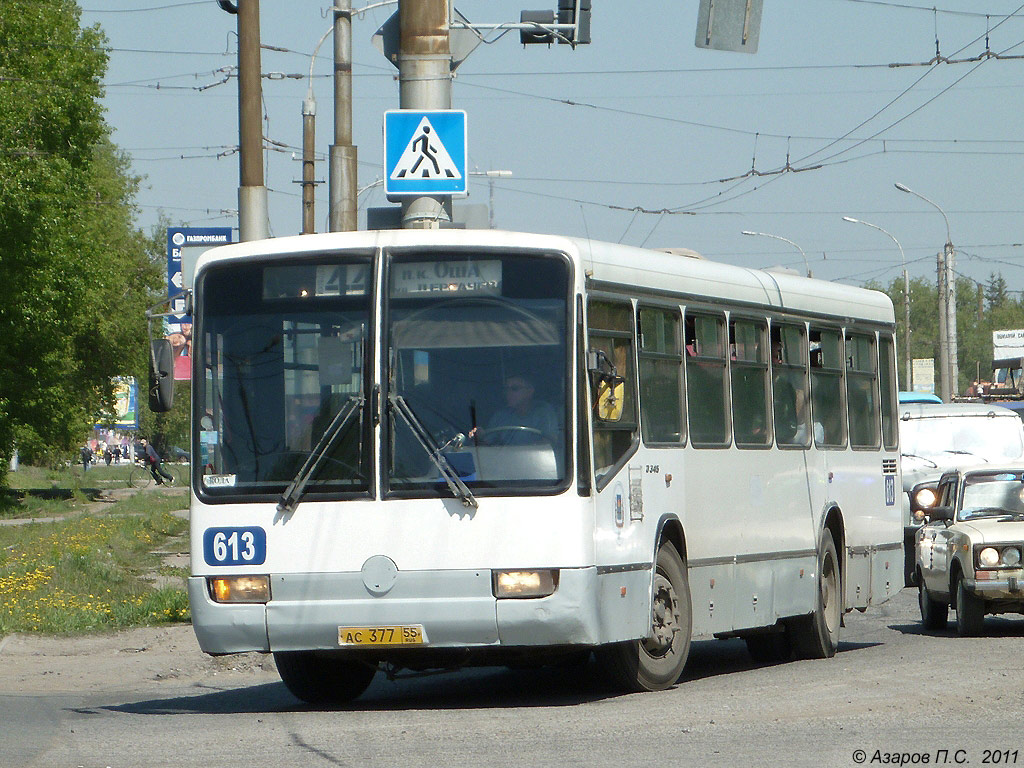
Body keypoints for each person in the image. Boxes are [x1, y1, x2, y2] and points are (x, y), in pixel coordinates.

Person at [471, 374, 559, 445]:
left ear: (530, 391)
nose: (508, 393)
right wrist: (477, 437)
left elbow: (550, 442)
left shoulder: (544, 412)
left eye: (514, 389)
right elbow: (486, 445)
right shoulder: (501, 416)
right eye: (506, 389)